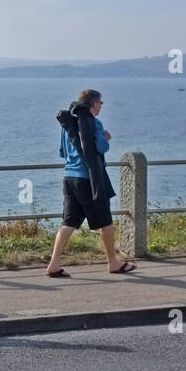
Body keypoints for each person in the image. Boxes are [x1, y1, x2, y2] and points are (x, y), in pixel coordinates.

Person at [46, 89, 135, 277]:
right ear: (94, 104)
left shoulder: (67, 124)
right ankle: (113, 262)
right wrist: (105, 137)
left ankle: (54, 264)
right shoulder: (95, 123)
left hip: (69, 178)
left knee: (69, 222)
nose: (101, 107)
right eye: (101, 103)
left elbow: (62, 152)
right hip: (89, 180)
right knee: (106, 221)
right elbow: (101, 147)